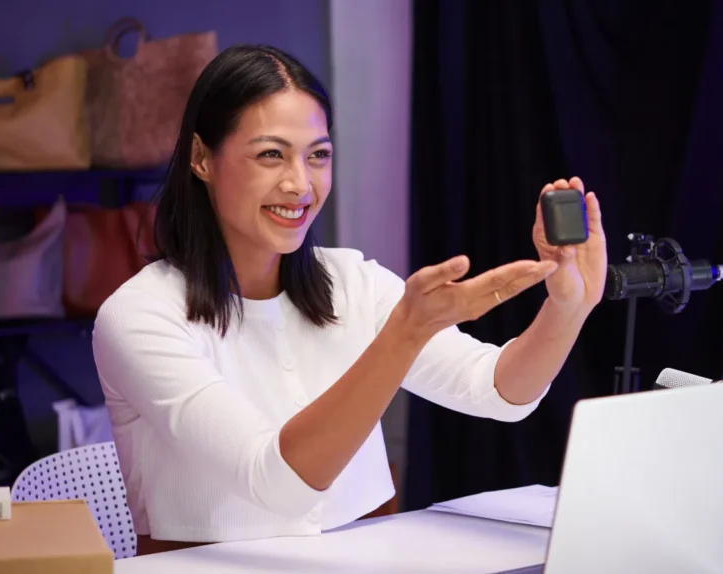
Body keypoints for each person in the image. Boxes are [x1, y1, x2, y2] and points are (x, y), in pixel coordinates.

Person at [91, 44, 607, 555]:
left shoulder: (352, 281)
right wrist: (402, 336)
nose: (300, 185)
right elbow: (275, 481)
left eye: (318, 155)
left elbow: (497, 392)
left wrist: (568, 308)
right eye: (271, 154)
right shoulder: (139, 316)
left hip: (369, 556)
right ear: (202, 158)